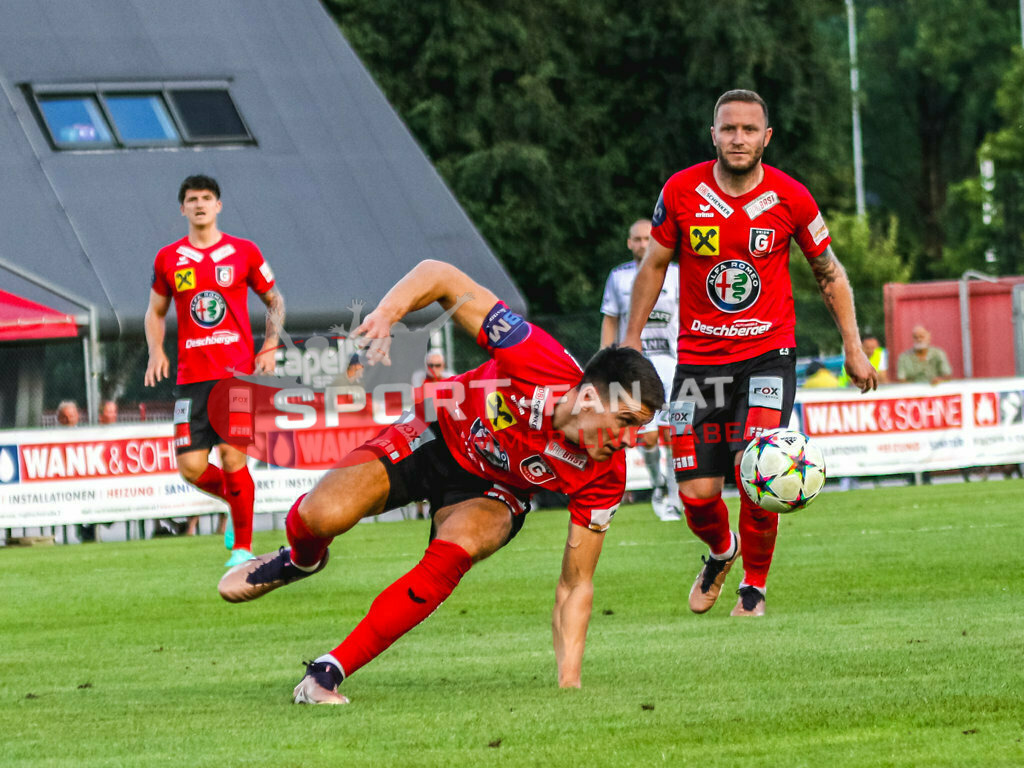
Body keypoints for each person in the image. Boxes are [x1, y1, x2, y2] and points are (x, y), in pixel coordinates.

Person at [218, 259, 664, 704]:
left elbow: (576, 583)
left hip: (495, 490)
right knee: (320, 515)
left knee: (462, 545)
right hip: (434, 431)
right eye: (625, 420)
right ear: (588, 396)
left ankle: (327, 672)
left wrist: (571, 687)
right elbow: (441, 276)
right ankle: (302, 560)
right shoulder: (536, 356)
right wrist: (388, 314)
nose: (630, 440)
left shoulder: (606, 473)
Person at [623, 89, 878, 618]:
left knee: (756, 469)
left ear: (766, 137)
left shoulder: (792, 198)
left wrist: (854, 347)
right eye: (728, 128)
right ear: (712, 133)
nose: (738, 138)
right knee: (694, 492)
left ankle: (753, 588)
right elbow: (653, 267)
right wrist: (629, 344)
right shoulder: (682, 191)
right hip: (697, 364)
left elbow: (829, 272)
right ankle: (721, 553)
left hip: (768, 357)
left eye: (748, 129)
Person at [144, 174, 285, 565]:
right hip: (192, 377)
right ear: (183, 208)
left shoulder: (244, 252)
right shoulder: (168, 258)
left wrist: (270, 346)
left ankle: (242, 548)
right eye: (193, 199)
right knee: (190, 467)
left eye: (207, 198)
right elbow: (155, 312)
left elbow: (275, 302)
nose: (200, 204)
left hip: (236, 374)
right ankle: (234, 499)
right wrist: (156, 350)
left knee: (232, 458)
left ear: (218, 206)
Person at [601, 218, 681, 521]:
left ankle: (672, 497)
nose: (643, 244)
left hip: (672, 364)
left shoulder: (675, 275)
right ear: (629, 243)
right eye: (637, 239)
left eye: (648, 239)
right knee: (646, 438)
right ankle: (657, 482)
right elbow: (609, 319)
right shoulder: (618, 277)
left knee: (674, 435)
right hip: (634, 367)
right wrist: (606, 361)